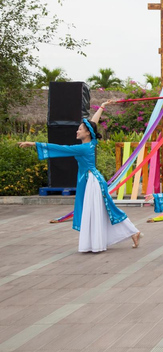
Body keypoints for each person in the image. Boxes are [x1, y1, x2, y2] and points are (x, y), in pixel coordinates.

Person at [18, 100, 141, 252]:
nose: (77, 131)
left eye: (79, 129)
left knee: (101, 210)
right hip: (92, 180)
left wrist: (33, 144)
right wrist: (102, 106)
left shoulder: (82, 148)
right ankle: (130, 233)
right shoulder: (92, 142)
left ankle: (130, 233)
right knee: (103, 209)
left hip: (92, 182)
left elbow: (60, 148)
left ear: (87, 133)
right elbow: (93, 123)